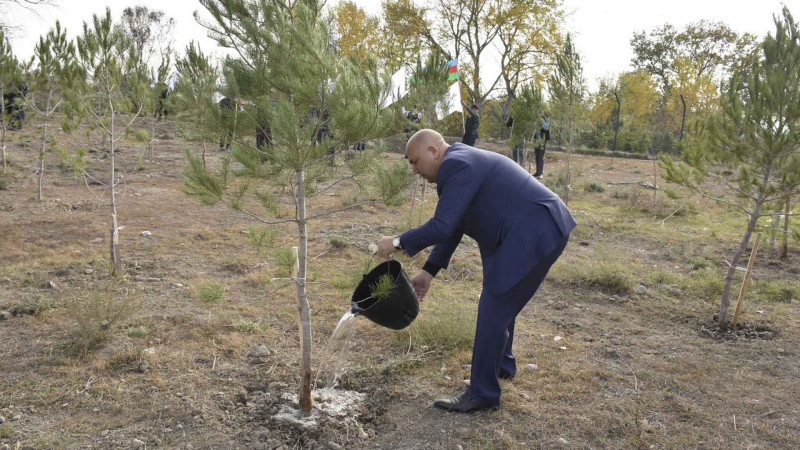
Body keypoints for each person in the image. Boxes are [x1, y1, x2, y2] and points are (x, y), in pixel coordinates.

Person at [377, 129, 576, 413]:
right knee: (500, 298)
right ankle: (502, 366)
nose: (413, 170)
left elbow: (442, 226)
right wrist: (428, 271)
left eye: (415, 161)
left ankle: (483, 393)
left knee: (494, 305)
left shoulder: (458, 164)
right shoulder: (459, 165)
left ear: (433, 151)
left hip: (533, 229)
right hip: (527, 230)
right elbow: (454, 226)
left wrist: (397, 242)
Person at [534, 111, 550, 178]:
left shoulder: (545, 119)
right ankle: (537, 172)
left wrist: (544, 120)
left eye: (541, 113)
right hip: (536, 140)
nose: (540, 114)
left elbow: (546, 128)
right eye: (539, 112)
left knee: (540, 157)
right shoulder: (537, 120)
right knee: (537, 156)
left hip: (542, 140)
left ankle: (540, 173)